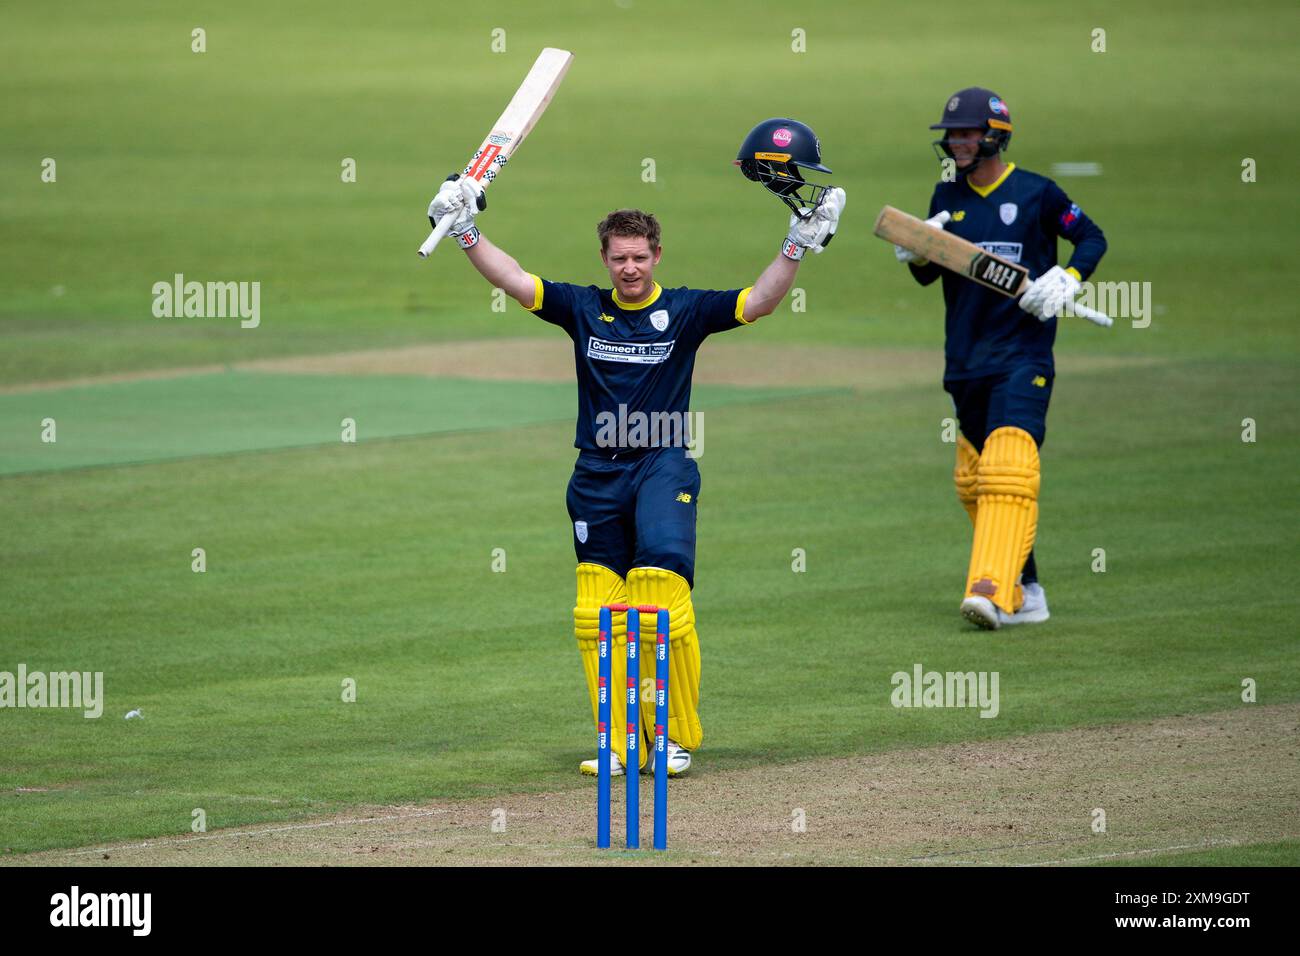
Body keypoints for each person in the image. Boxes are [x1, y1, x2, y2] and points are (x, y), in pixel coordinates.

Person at [428, 119, 846, 773]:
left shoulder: (683, 312)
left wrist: (796, 244)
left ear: (656, 256)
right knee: (597, 617)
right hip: (595, 473)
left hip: (662, 463)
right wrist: (464, 228)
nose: (629, 267)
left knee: (660, 604)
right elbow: (511, 278)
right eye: (619, 258)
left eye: (640, 257)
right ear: (606, 259)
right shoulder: (580, 307)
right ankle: (619, 740)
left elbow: (760, 302)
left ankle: (672, 735)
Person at [894, 88, 1107, 630]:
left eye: (966, 133)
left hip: (1023, 354)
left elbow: (1090, 237)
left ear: (994, 135)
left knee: (1009, 466)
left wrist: (1067, 277)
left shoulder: (1037, 192)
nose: (956, 142)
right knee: (975, 480)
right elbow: (927, 273)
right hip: (966, 359)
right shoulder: (946, 193)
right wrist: (919, 250)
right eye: (952, 133)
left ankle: (988, 590)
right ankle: (1026, 589)